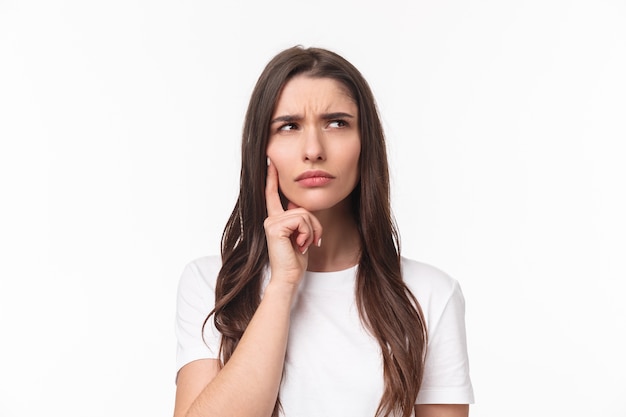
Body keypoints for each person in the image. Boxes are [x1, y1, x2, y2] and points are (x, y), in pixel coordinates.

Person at [173, 46, 474, 417]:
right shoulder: (212, 283)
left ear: (366, 145)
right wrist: (282, 286)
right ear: (261, 149)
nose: (313, 149)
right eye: (288, 126)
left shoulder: (429, 293)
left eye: (337, 123)